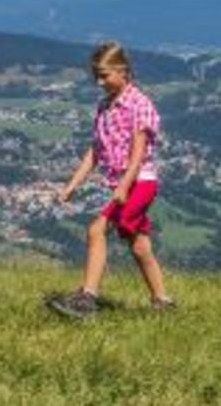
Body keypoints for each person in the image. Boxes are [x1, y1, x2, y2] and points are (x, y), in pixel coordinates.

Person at [47, 41, 175, 318]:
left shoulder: (138, 104)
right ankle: (162, 301)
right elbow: (95, 151)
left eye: (104, 75)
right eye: (96, 75)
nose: (99, 81)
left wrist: (124, 187)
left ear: (123, 71)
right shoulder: (104, 106)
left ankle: (87, 299)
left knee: (98, 231)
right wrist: (72, 185)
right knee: (138, 244)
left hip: (139, 181)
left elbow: (138, 155)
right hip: (125, 184)